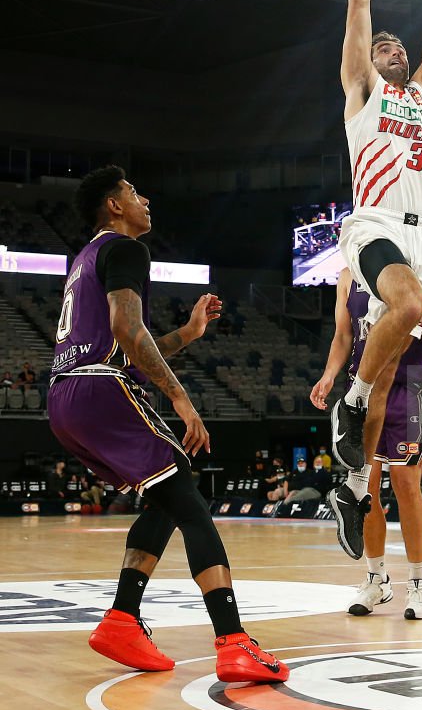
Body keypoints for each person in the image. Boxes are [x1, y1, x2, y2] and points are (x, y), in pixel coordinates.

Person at [47, 165, 289, 683]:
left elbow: (129, 344)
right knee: (191, 503)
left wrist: (188, 333)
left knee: (165, 497)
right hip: (98, 388)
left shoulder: (86, 258)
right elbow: (127, 331)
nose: (145, 199)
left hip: (65, 396)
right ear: (114, 206)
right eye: (134, 192)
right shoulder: (127, 249)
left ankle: (121, 619)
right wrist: (182, 399)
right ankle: (233, 640)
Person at [328, 0, 422, 562]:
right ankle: (346, 403)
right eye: (380, 45)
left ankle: (349, 485)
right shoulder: (362, 92)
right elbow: (357, 8)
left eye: (395, 44)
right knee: (403, 308)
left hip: (419, 241)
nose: (390, 45)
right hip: (373, 222)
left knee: (387, 383)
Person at [311, 267, 422, 618]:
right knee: (367, 488)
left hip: (409, 388)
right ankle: (377, 579)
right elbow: (344, 335)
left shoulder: (418, 265)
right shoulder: (347, 276)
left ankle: (419, 584)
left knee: (407, 486)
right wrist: (329, 376)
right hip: (365, 388)